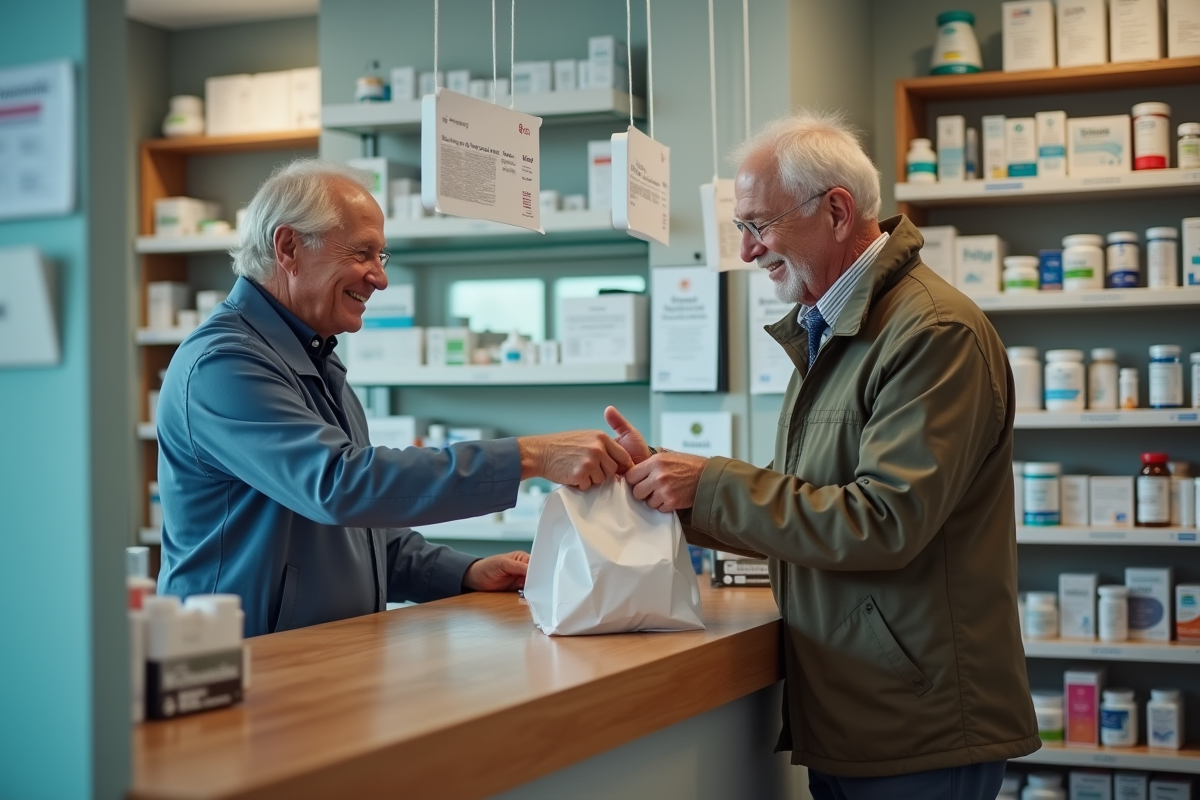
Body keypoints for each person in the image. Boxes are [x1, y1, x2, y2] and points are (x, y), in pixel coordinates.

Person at [605, 110, 1038, 799]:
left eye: (757, 225)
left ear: (835, 210)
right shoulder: (839, 326)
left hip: (917, 724)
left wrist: (709, 484)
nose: (746, 252)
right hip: (862, 710)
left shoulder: (932, 330)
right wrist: (669, 490)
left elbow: (883, 520)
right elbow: (812, 501)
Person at [157, 159, 633, 637]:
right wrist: (531, 456)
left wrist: (462, 573)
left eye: (381, 258)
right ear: (288, 247)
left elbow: (361, 536)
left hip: (325, 658)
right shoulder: (224, 365)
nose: (379, 279)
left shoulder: (315, 358)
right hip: (236, 663)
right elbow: (341, 487)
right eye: (362, 253)